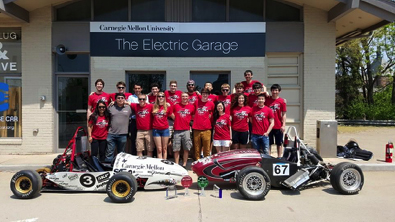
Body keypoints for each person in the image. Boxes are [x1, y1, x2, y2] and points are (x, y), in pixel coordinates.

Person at [105, 93, 132, 162]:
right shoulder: (110, 107)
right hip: (111, 133)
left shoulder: (128, 108)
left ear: (125, 99)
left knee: (121, 153)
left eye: (122, 98)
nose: (120, 99)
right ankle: (108, 167)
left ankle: (120, 166)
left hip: (123, 134)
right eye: (118, 98)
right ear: (115, 100)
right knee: (109, 152)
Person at [171, 92, 195, 166]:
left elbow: (193, 116)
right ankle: (177, 165)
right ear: (181, 98)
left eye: (186, 96)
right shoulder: (176, 105)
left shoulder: (191, 106)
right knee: (176, 149)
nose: (185, 98)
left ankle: (184, 164)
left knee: (186, 148)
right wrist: (175, 118)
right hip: (177, 130)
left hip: (186, 130)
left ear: (188, 98)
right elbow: (170, 112)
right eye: (183, 96)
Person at [192, 88, 215, 160]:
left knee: (207, 149)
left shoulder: (211, 103)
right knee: (197, 148)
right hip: (196, 128)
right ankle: (197, 163)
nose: (205, 95)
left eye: (206, 94)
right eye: (203, 93)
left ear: (208, 95)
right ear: (201, 94)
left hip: (207, 129)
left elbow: (213, 113)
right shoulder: (196, 102)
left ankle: (206, 164)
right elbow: (192, 113)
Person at [265, 84, 287, 157]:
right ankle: (269, 157)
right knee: (269, 143)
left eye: (276, 90)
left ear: (279, 91)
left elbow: (283, 114)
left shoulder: (282, 101)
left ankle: (279, 157)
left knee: (279, 143)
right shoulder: (267, 99)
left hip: (278, 125)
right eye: (273, 90)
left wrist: (283, 125)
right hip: (268, 126)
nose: (274, 92)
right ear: (271, 91)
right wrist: (265, 92)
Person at [152, 92, 172, 159]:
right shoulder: (153, 106)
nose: (161, 97)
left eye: (162, 96)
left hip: (165, 129)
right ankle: (160, 164)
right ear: (157, 97)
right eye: (159, 96)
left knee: (164, 148)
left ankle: (164, 163)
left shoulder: (168, 107)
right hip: (156, 129)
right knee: (159, 149)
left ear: (164, 98)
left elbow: (173, 116)